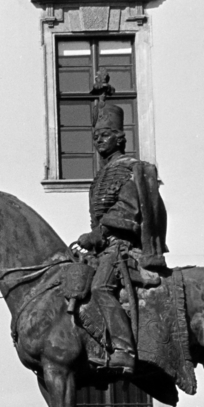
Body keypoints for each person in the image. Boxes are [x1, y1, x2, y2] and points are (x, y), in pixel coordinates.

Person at [74, 86, 168, 373]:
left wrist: (98, 235)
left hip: (123, 247)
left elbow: (128, 208)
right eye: (95, 137)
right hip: (105, 248)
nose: (98, 141)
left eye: (104, 136)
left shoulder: (131, 168)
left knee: (101, 287)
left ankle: (125, 350)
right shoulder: (102, 174)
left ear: (120, 138)